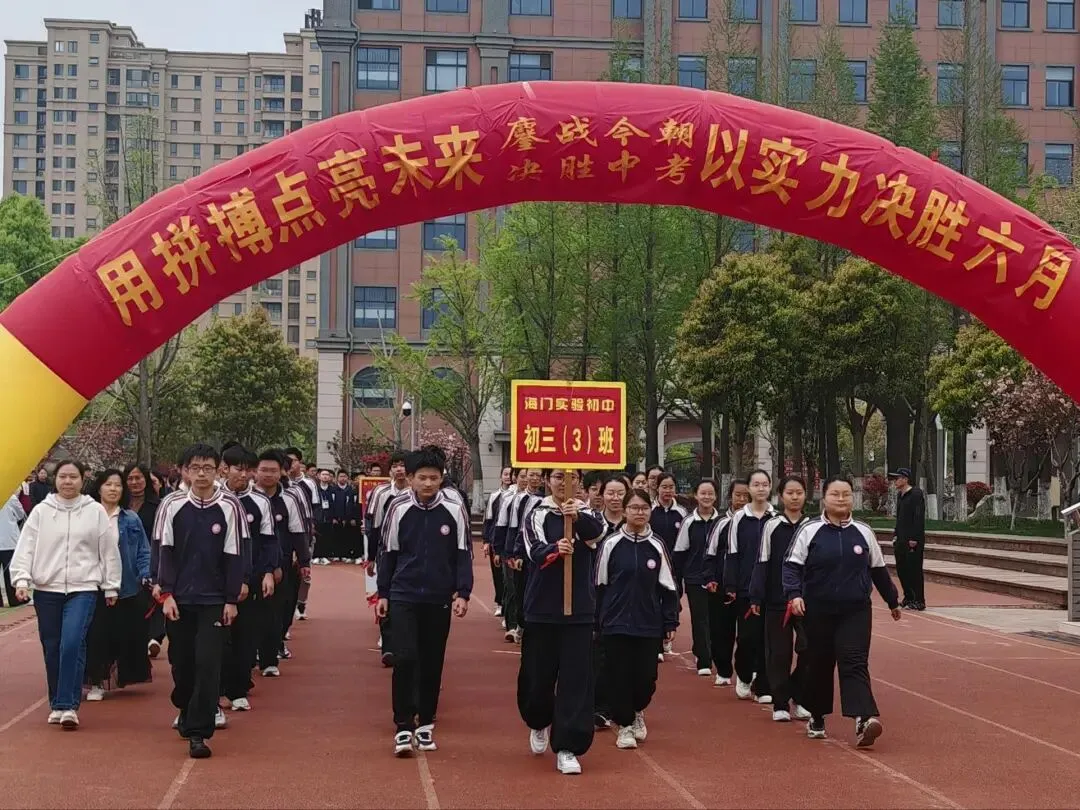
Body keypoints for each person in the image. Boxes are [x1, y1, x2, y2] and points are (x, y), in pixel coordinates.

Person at [783, 475, 901, 747]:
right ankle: (817, 715)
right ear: (824, 498)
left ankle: (864, 718)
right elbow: (791, 566)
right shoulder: (810, 530)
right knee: (819, 665)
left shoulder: (863, 531)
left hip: (855, 610)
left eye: (846, 494)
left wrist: (892, 600)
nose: (841, 499)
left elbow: (878, 570)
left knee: (854, 662)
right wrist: (794, 594)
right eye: (835, 494)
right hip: (818, 610)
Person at [9, 460, 121, 730]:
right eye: (63, 477)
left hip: (83, 588)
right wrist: (21, 578)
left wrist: (111, 584)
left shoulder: (94, 511)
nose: (68, 482)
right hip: (48, 589)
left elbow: (108, 549)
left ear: (83, 480)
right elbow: (26, 546)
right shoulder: (41, 512)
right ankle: (57, 701)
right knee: (52, 646)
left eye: (73, 477)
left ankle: (67, 705)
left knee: (72, 641)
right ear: (55, 480)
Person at [376, 448, 473, 756]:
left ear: (442, 479)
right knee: (404, 657)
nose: (428, 483)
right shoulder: (398, 507)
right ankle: (403, 724)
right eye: (422, 478)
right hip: (403, 593)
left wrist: (464, 592)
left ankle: (426, 722)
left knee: (432, 660)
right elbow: (388, 553)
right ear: (411, 479)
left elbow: (462, 554)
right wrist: (383, 594)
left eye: (434, 478)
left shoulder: (454, 508)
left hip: (438, 596)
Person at [156, 443, 247, 759]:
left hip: (214, 600)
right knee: (182, 663)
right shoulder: (171, 505)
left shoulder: (230, 507)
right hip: (179, 599)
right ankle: (184, 704)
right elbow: (163, 551)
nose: (202, 473)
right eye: (195, 467)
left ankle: (199, 732)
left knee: (209, 663)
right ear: (184, 471)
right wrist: (165, 593)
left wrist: (231, 598)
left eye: (208, 467)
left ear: (218, 470)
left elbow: (235, 554)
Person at [517, 469, 603, 776]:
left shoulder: (587, 512)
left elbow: (596, 536)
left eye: (569, 476)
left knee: (576, 679)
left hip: (579, 610)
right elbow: (533, 550)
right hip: (542, 608)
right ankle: (539, 721)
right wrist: (556, 549)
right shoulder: (536, 513)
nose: (562, 481)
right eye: (555, 476)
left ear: (578, 481)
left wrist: (577, 517)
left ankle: (568, 745)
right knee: (538, 675)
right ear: (547, 480)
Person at [595, 488, 678, 750]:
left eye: (644, 508)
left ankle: (638, 709)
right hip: (616, 623)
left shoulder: (657, 546)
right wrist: (598, 622)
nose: (639, 512)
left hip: (648, 623)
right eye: (634, 508)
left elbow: (669, 588)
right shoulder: (611, 544)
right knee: (618, 675)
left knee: (645, 679)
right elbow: (599, 585)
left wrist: (670, 622)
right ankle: (626, 725)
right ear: (625, 510)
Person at [84, 470, 153, 701]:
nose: (113, 489)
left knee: (120, 634)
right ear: (99, 488)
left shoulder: (130, 518)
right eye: (108, 484)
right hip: (92, 585)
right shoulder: (87, 516)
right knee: (96, 635)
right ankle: (96, 681)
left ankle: (115, 675)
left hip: (126, 587)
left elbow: (143, 550)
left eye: (117, 485)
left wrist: (146, 575)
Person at [221, 445, 278, 711]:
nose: (243, 475)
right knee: (220, 635)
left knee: (246, 634)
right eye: (237, 469)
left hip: (252, 578)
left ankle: (239, 688)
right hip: (217, 580)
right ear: (225, 469)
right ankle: (217, 685)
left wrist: (267, 571)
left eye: (248, 470)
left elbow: (268, 541)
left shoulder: (261, 501)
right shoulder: (214, 498)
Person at [749, 475, 811, 723]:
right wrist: (756, 595)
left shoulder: (812, 526)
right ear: (781, 496)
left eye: (799, 492)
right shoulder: (772, 526)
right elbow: (762, 561)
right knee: (779, 653)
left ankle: (800, 694)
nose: (795, 497)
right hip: (776, 599)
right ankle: (781, 702)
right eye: (790, 493)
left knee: (810, 649)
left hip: (807, 601)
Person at [253, 449, 309, 677]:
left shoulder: (290, 498)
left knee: (277, 611)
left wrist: (304, 560)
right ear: (254, 471)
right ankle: (250, 653)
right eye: (263, 470)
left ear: (282, 472)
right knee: (251, 613)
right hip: (250, 563)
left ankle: (269, 657)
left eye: (273, 471)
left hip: (282, 563)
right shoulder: (248, 498)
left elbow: (298, 531)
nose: (268, 475)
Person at [723, 469, 776, 703]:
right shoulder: (738, 518)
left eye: (765, 484)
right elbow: (732, 553)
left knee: (769, 638)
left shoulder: (776, 518)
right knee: (747, 637)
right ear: (749, 488)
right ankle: (744, 674)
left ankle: (763, 684)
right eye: (757, 484)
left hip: (771, 587)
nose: (761, 488)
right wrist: (731, 584)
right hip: (745, 586)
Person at [673, 479, 723, 677]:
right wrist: (679, 580)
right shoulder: (689, 522)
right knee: (700, 619)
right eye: (703, 493)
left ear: (716, 496)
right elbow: (680, 551)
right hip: (694, 578)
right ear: (696, 495)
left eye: (711, 493)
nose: (707, 497)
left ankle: (712, 652)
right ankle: (704, 659)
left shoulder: (722, 522)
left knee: (716, 619)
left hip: (718, 578)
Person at [703, 478, 749, 686]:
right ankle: (723, 669)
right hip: (722, 586)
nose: (741, 499)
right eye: (738, 495)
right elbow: (710, 554)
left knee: (748, 634)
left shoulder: (760, 521)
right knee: (722, 630)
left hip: (748, 587)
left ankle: (746, 670)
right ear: (730, 497)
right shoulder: (721, 522)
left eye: (745, 496)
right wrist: (711, 578)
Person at [649, 472, 685, 660]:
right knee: (654, 600)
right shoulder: (650, 511)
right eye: (664, 487)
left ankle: (667, 634)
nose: (667, 491)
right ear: (657, 488)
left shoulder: (681, 513)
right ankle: (657, 643)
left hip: (674, 567)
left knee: (673, 601)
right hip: (653, 564)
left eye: (671, 487)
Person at [889, 467, 926, 611]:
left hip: (913, 540)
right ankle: (908, 596)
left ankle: (919, 599)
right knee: (902, 569)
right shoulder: (900, 495)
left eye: (897, 478)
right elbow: (899, 518)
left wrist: (914, 538)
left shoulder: (916, 494)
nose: (895, 481)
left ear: (905, 479)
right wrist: (896, 535)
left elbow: (918, 518)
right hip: (901, 539)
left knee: (914, 570)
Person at [1, 491, 26, 608]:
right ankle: (15, 599)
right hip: (8, 540)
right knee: (10, 572)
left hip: (8, 540)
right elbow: (21, 514)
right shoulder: (10, 497)